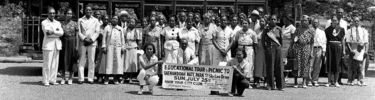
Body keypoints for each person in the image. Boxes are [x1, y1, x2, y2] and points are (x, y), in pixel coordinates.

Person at [77, 6, 101, 84]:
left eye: (90, 10)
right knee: (82, 60)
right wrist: (84, 39)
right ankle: (81, 78)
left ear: (92, 11)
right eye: (87, 10)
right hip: (83, 42)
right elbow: (79, 32)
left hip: (92, 43)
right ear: (84, 11)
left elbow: (97, 32)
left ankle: (90, 78)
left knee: (91, 60)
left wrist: (91, 40)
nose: (88, 11)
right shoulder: (80, 20)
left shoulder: (95, 20)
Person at [41, 7, 64, 86]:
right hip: (48, 45)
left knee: (55, 63)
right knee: (47, 64)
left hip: (56, 44)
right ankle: (45, 80)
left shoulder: (57, 22)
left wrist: (53, 31)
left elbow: (61, 33)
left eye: (54, 13)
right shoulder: (44, 22)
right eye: (50, 13)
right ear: (48, 14)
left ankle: (52, 80)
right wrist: (56, 32)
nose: (52, 14)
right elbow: (47, 33)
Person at [231, 19, 258, 84]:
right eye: (243, 23)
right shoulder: (238, 32)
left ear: (248, 24)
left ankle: (248, 81)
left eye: (246, 23)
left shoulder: (252, 32)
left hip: (249, 49)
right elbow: (236, 41)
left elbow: (255, 42)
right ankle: (239, 80)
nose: (244, 25)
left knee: (249, 64)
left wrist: (255, 51)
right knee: (240, 63)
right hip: (240, 49)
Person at [100, 16, 125, 85]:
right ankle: (106, 77)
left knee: (117, 63)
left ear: (118, 20)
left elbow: (122, 39)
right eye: (114, 18)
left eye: (116, 19)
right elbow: (104, 38)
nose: (115, 20)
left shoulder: (120, 29)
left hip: (118, 48)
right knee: (108, 63)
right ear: (111, 20)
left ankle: (115, 78)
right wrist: (104, 46)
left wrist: (123, 47)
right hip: (109, 48)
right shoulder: (107, 28)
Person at [262, 15, 285, 90]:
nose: (273, 20)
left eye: (274, 19)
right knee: (270, 67)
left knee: (279, 66)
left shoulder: (279, 29)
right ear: (269, 20)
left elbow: (281, 40)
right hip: (269, 48)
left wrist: (280, 49)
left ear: (277, 20)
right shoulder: (266, 29)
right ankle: (270, 85)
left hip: (278, 48)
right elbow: (263, 40)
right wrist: (265, 48)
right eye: (271, 19)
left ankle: (280, 85)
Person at [346, 16, 369, 86]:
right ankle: (350, 80)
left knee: (361, 66)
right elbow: (347, 42)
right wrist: (350, 50)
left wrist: (366, 51)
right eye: (355, 21)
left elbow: (366, 42)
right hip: (353, 48)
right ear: (353, 22)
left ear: (359, 22)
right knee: (352, 66)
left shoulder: (363, 30)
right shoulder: (349, 30)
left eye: (357, 21)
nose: (356, 22)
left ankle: (360, 80)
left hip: (361, 49)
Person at [294, 15, 314, 88]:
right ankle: (295, 82)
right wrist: (295, 40)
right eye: (302, 21)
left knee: (305, 65)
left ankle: (304, 82)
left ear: (308, 21)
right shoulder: (298, 29)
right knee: (297, 64)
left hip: (307, 48)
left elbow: (312, 42)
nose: (303, 22)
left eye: (305, 20)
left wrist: (311, 51)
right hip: (298, 48)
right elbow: (294, 38)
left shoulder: (311, 30)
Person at [325, 15, 345, 87]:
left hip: (338, 47)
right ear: (331, 21)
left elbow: (342, 40)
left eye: (336, 20)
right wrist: (325, 50)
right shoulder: (327, 30)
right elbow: (326, 40)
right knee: (330, 64)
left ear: (338, 21)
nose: (334, 21)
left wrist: (343, 50)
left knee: (337, 65)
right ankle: (329, 82)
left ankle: (336, 81)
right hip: (330, 47)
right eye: (333, 20)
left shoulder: (341, 29)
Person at [59, 9, 78, 85]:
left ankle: (70, 78)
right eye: (68, 13)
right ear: (65, 14)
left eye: (70, 14)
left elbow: (77, 35)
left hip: (72, 41)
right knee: (63, 59)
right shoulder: (61, 23)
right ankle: (63, 77)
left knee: (71, 60)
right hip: (64, 41)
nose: (69, 15)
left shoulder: (75, 23)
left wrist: (76, 45)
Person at [123, 18, 142, 83]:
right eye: (130, 21)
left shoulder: (137, 31)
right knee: (126, 62)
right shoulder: (125, 30)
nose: (131, 23)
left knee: (132, 62)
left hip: (134, 47)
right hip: (126, 46)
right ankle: (125, 77)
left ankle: (131, 77)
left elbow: (139, 41)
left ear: (135, 23)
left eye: (133, 22)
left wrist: (139, 50)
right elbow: (123, 39)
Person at [310, 18, 327, 87]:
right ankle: (309, 80)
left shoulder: (322, 32)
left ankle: (315, 80)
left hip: (319, 49)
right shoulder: (309, 31)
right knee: (310, 65)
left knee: (317, 66)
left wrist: (324, 51)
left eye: (316, 22)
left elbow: (324, 42)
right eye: (314, 22)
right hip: (311, 49)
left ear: (318, 23)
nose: (315, 23)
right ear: (312, 23)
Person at [253, 17, 267, 88]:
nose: (261, 23)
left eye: (263, 21)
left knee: (265, 64)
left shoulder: (268, 30)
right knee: (258, 65)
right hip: (258, 48)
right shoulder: (256, 30)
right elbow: (254, 40)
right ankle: (257, 81)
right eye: (260, 21)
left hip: (266, 49)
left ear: (266, 22)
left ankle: (266, 81)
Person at [96, 15, 109, 83]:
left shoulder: (109, 27)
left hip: (108, 46)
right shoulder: (99, 27)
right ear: (102, 20)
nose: (106, 21)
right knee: (99, 61)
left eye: (107, 19)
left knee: (106, 62)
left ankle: (106, 76)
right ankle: (99, 76)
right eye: (104, 19)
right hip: (100, 45)